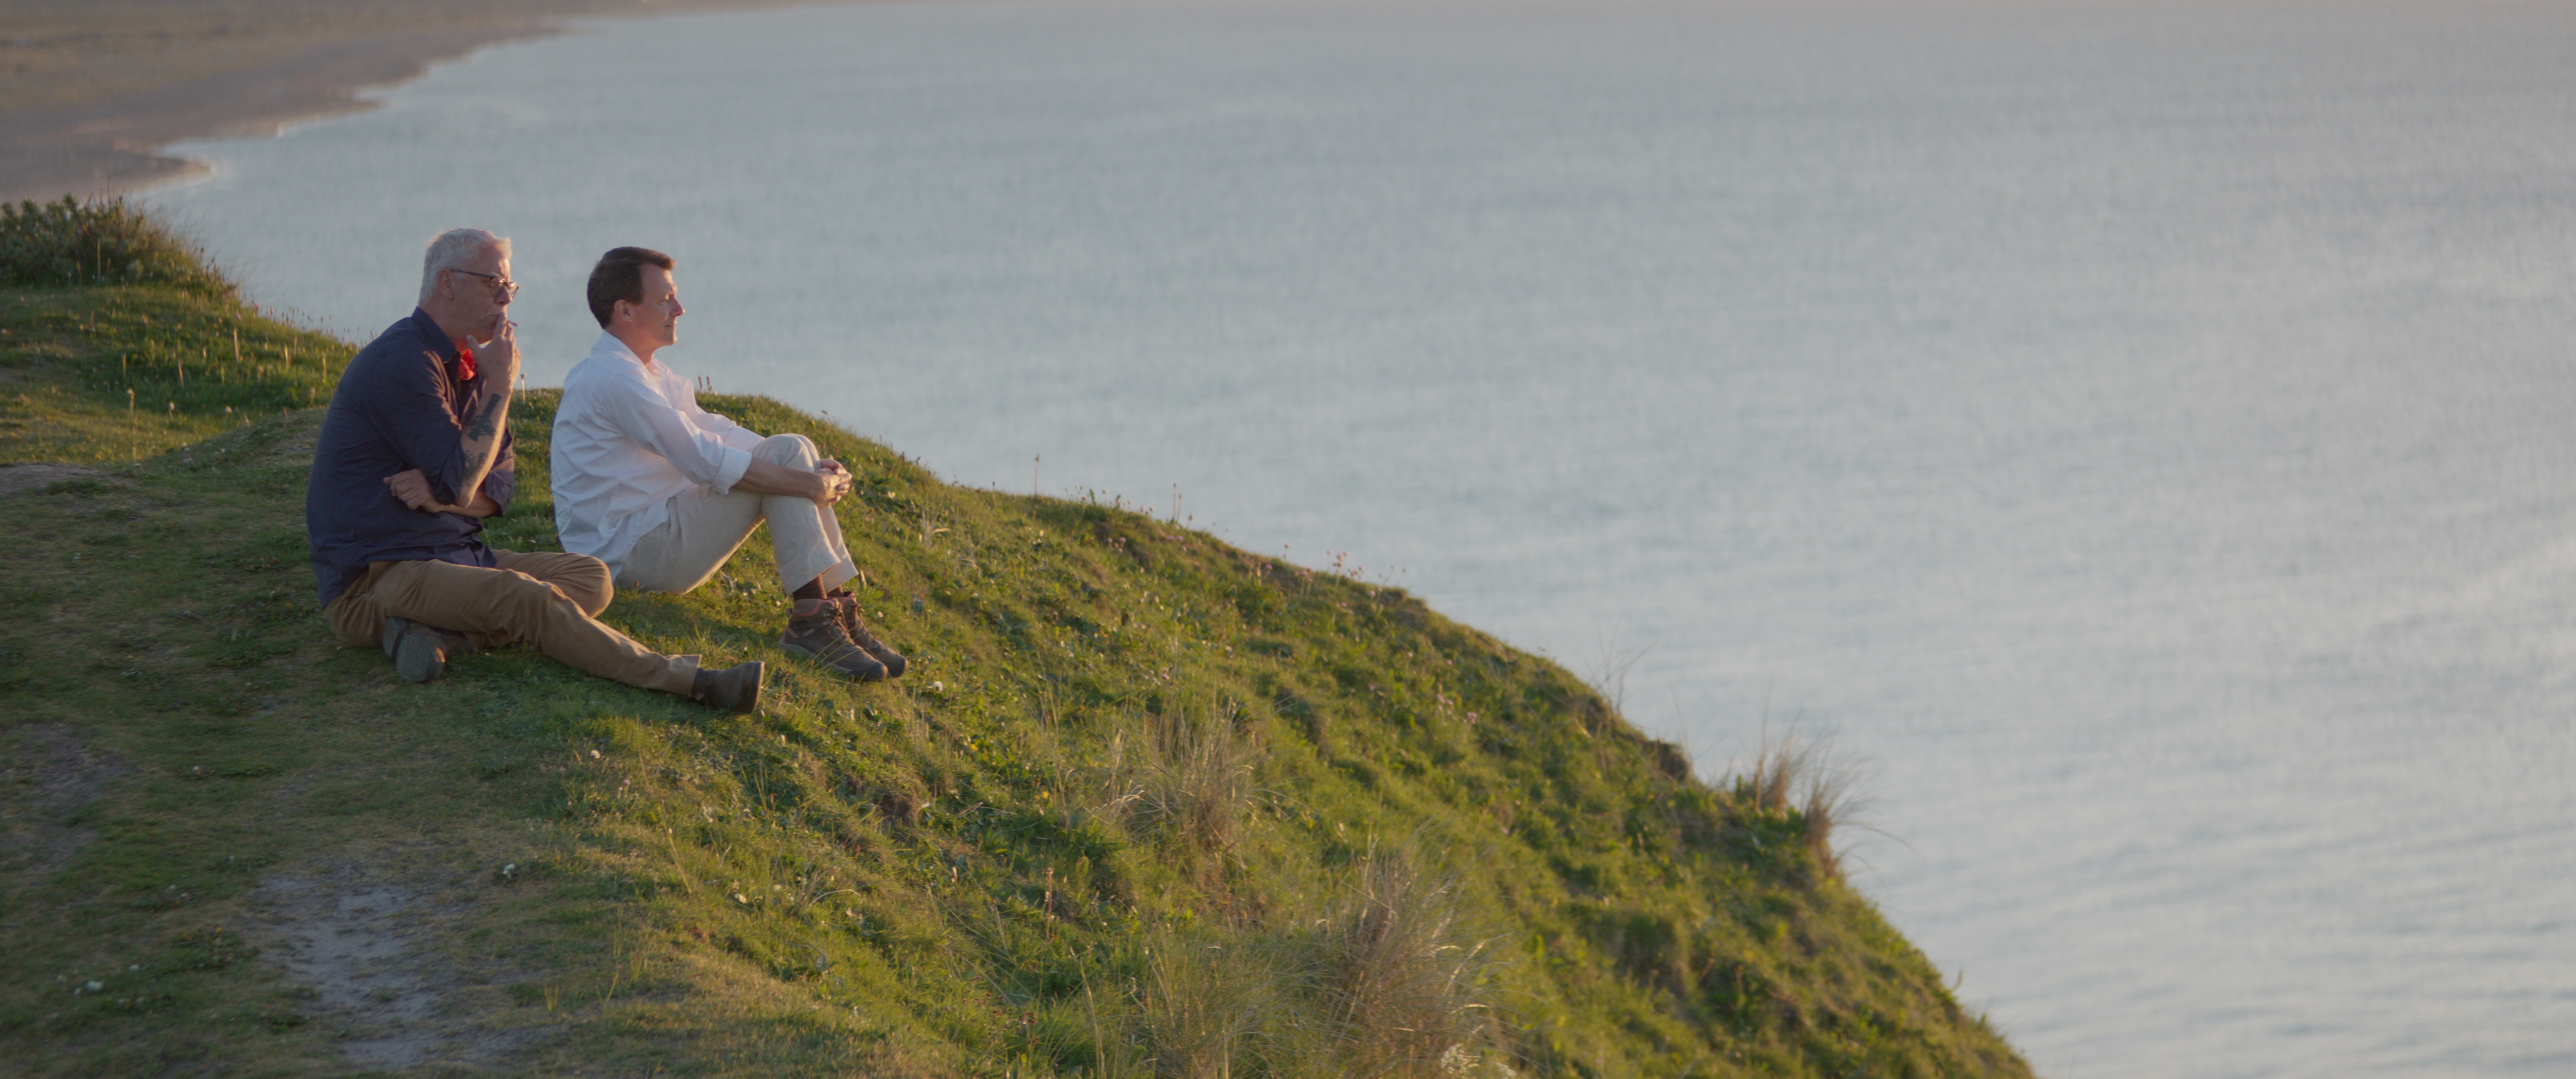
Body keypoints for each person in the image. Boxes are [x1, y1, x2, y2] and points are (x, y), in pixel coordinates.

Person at [304, 228, 763, 712]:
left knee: (591, 579)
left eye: (511, 288)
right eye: (493, 284)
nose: (505, 300)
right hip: (379, 577)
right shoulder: (404, 362)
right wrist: (499, 388)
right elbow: (465, 484)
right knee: (527, 598)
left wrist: (444, 494)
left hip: (456, 556)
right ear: (447, 283)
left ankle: (436, 637)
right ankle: (692, 682)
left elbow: (494, 494)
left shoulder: (472, 365)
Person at [551, 246, 906, 682]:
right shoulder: (614, 379)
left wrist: (807, 469)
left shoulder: (645, 373)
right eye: (664, 299)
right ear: (624, 310)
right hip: (627, 554)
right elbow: (702, 459)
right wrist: (803, 480)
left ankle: (833, 613)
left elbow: (710, 429)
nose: (679, 309)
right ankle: (813, 623)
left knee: (791, 448)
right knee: (785, 458)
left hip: (653, 531)